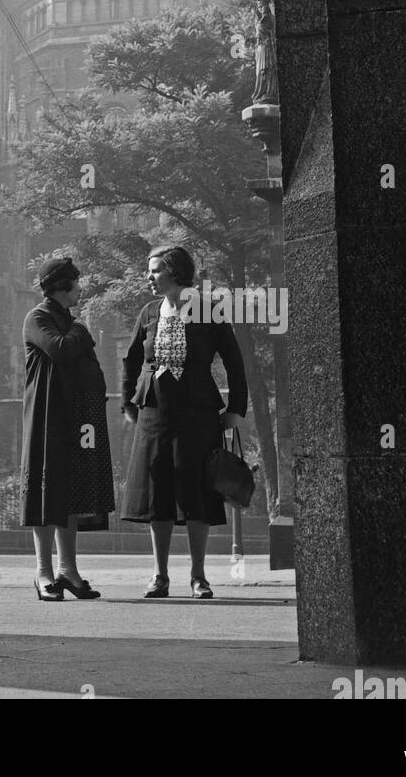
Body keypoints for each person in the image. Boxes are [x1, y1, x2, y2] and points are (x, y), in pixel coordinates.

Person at [120, 244, 248, 599]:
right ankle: (159, 576)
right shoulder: (148, 313)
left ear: (176, 272)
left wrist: (235, 409)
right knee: (157, 493)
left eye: (156, 270)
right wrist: (129, 402)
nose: (149, 276)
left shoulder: (209, 312)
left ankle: (198, 577)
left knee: (196, 492)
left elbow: (235, 363)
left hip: (198, 413)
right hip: (154, 415)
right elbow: (131, 360)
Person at [20, 256, 114, 600]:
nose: (81, 288)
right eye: (76, 283)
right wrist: (81, 329)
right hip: (49, 416)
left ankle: (68, 571)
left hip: (76, 416)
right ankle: (44, 573)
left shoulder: (65, 319)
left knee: (70, 494)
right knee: (46, 494)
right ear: (62, 286)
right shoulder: (38, 317)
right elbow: (59, 350)